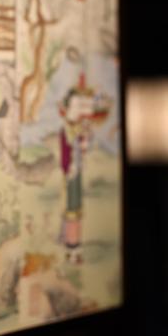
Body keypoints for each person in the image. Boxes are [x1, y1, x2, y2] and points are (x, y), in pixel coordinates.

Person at [59, 86, 93, 264]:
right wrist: (68, 167)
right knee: (71, 209)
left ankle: (75, 246)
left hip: (77, 171)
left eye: (79, 105)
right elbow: (64, 153)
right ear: (68, 107)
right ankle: (71, 248)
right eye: (75, 105)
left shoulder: (78, 127)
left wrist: (86, 139)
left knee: (77, 209)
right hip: (71, 173)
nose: (78, 109)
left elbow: (84, 147)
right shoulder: (65, 128)